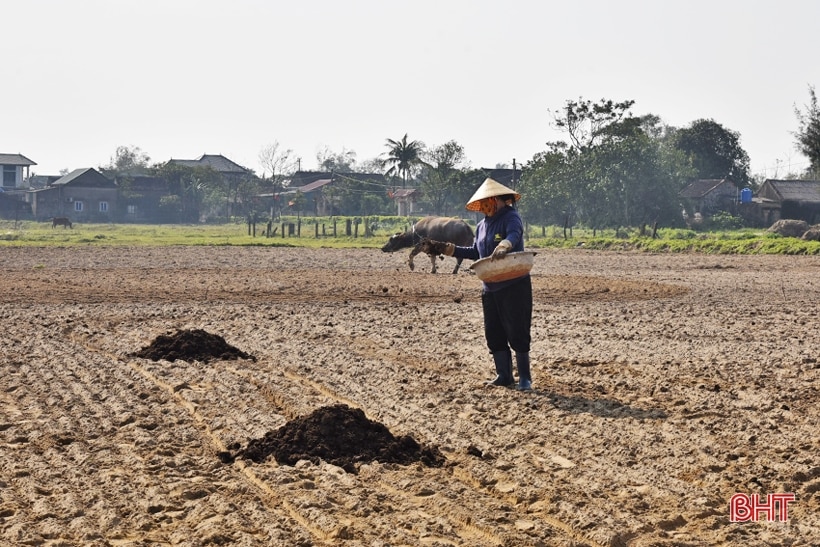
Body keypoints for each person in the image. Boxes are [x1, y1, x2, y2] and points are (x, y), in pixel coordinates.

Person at [419, 177, 533, 391]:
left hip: (514, 285)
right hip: (489, 286)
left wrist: (505, 245)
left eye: (486, 202)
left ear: (497, 200)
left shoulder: (511, 217)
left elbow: (514, 235)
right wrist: (446, 249)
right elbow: (475, 252)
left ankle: (525, 378)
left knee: (517, 330)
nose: (483, 207)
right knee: (494, 331)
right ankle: (504, 375)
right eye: (481, 204)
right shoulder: (481, 225)